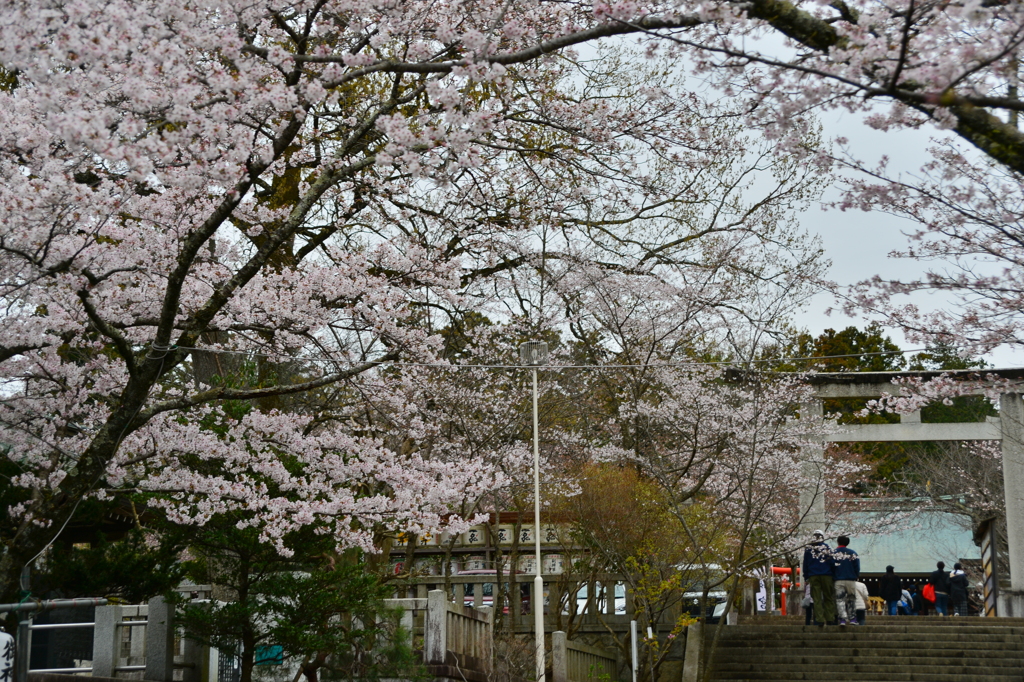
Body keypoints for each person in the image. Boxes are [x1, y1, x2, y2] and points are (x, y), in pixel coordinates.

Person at [802, 529, 837, 626]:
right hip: (827, 575)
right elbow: (832, 562)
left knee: (816, 599)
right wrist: (833, 575)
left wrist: (806, 577)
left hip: (813, 575)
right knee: (828, 597)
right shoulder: (827, 548)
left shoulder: (808, 549)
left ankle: (820, 619)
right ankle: (830, 618)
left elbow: (805, 564)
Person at [832, 535, 860, 626]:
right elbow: (857, 567)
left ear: (838, 542)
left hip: (838, 580)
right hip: (851, 580)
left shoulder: (833, 553)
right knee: (851, 599)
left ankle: (842, 619)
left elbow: (831, 567)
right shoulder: (853, 553)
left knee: (840, 600)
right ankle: (852, 619)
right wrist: (855, 576)